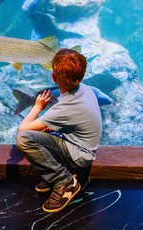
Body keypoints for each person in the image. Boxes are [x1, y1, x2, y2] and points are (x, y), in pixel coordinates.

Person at [16, 48, 103, 213]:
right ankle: (60, 170)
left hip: (80, 156)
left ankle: (64, 182)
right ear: (82, 74)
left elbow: (22, 129)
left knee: (24, 138)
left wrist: (37, 106)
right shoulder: (85, 89)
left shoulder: (64, 108)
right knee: (43, 130)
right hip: (82, 147)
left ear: (53, 77)